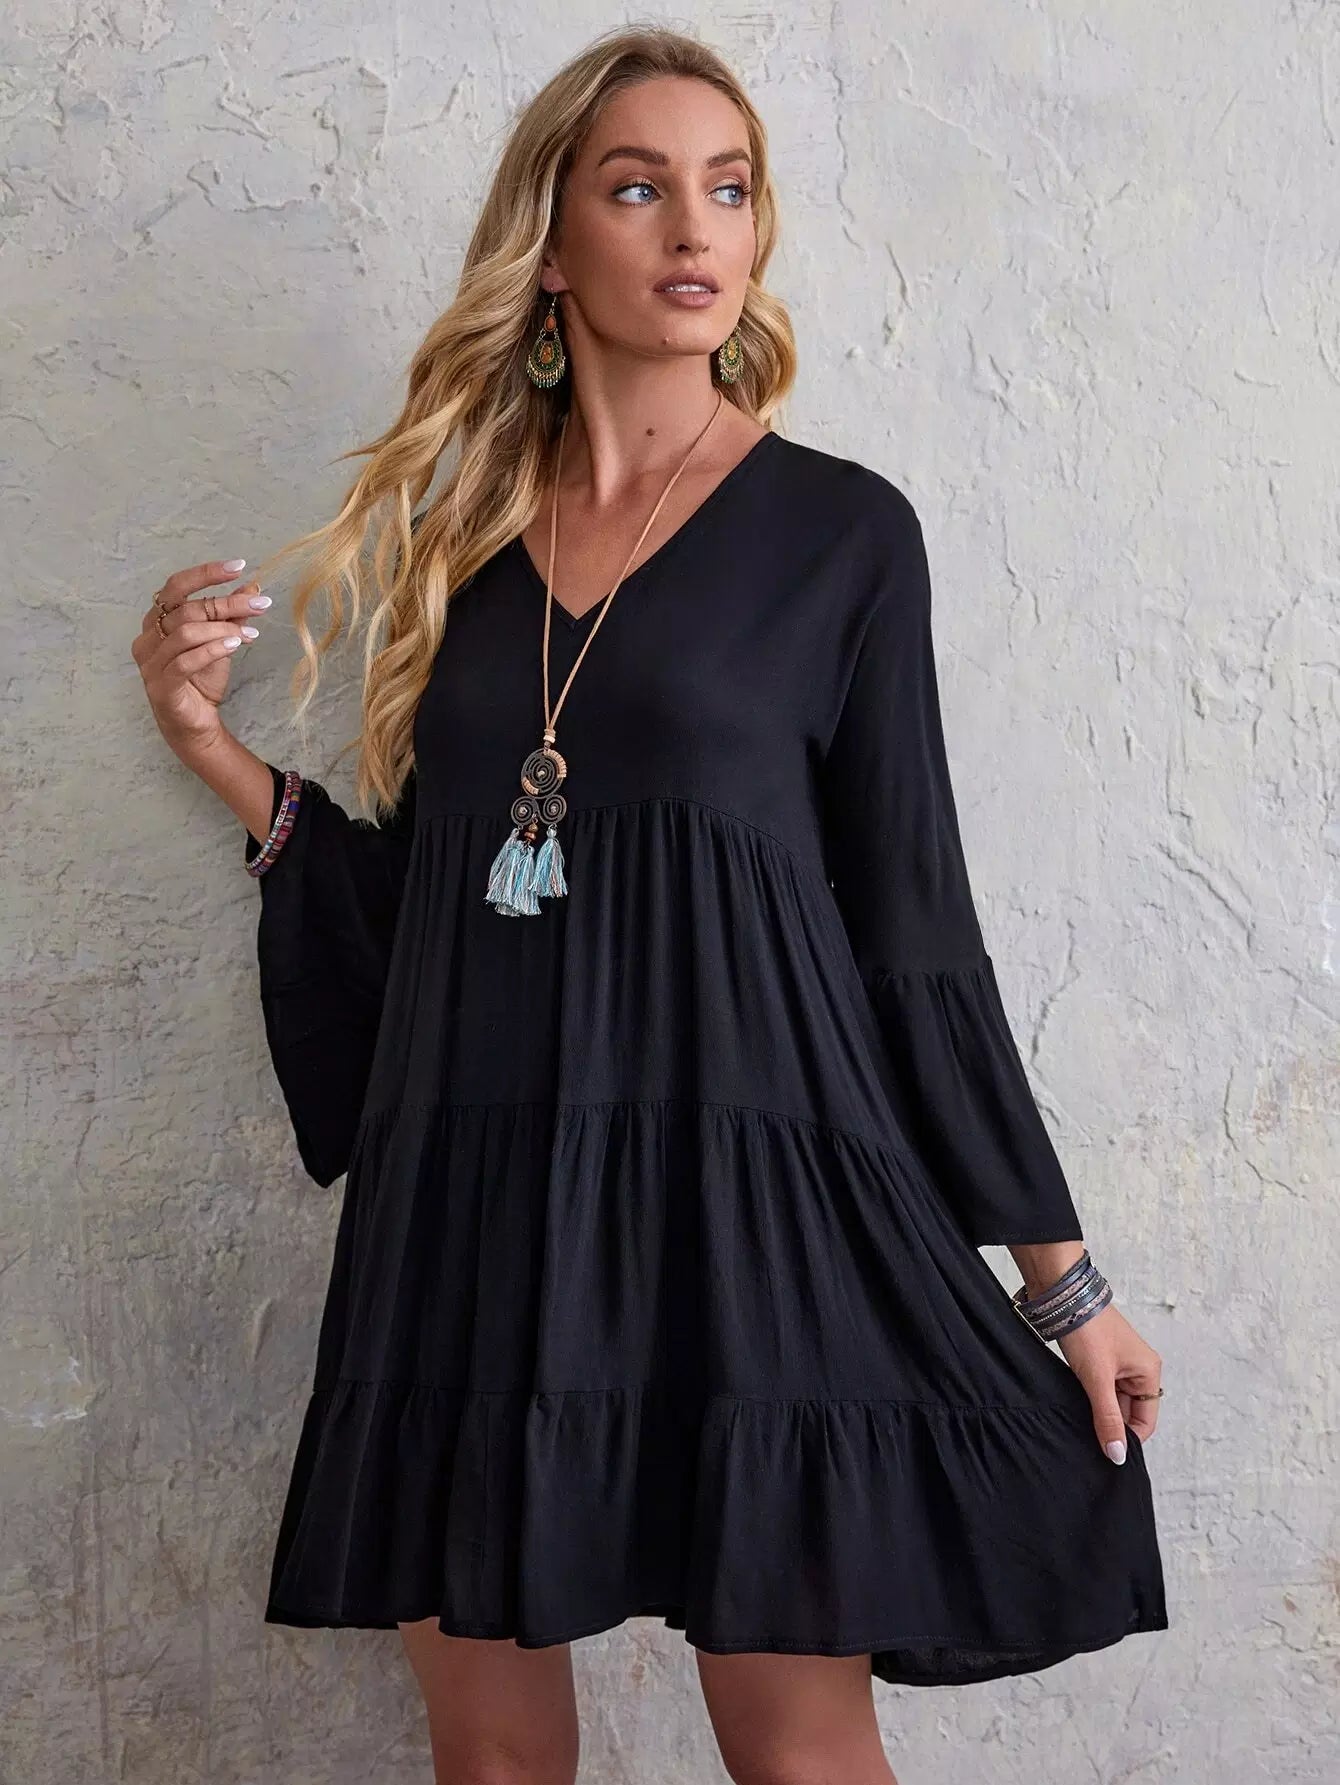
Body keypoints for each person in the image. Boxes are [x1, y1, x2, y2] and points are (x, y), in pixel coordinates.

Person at [132, 25, 1168, 1785]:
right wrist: (211, 747)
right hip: (478, 1209)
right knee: (491, 1757)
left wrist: (1063, 1285)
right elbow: (445, 905)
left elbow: (914, 927)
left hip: (747, 1209)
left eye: (729, 187)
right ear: (551, 247)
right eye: (638, 188)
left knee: (797, 1749)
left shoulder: (843, 537)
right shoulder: (461, 549)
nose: (696, 227)